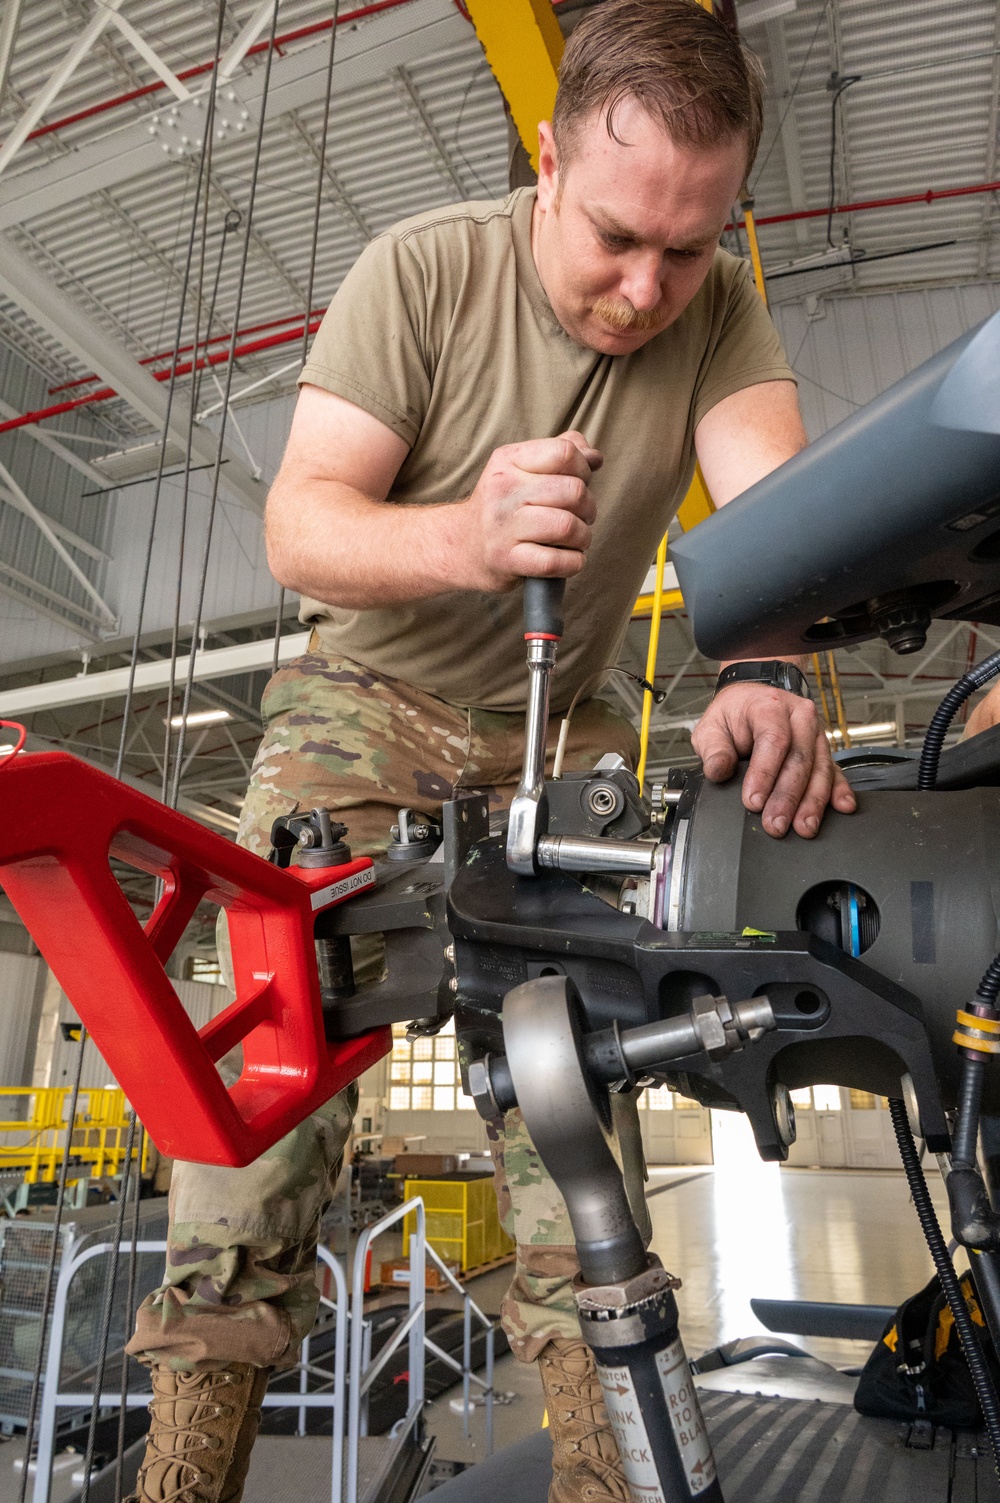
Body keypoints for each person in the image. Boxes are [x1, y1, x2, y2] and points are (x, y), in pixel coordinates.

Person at [125, 4, 856, 1501]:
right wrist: (464, 534)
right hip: (357, 705)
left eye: (690, 246)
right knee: (255, 1125)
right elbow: (300, 522)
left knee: (577, 1112)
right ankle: (180, 1479)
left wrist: (775, 664)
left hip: (559, 732)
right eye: (613, 236)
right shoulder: (425, 269)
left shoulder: (720, 311)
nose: (649, 287)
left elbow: (778, 523)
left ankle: (601, 1476)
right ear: (545, 158)